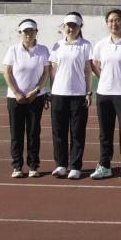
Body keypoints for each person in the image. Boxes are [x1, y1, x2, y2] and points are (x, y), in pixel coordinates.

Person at [90, 9, 121, 181]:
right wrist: (103, 77)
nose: (114, 24)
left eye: (118, 20)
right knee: (105, 133)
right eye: (111, 21)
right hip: (104, 94)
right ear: (107, 23)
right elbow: (94, 65)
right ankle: (105, 166)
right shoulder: (101, 44)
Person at [48, 12, 94, 180]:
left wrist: (88, 92)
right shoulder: (57, 45)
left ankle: (75, 166)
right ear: (64, 27)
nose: (71, 29)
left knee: (77, 132)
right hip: (58, 94)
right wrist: (51, 91)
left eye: (74, 26)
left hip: (78, 95)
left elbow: (88, 71)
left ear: (80, 27)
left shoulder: (85, 45)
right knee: (59, 132)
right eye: (68, 25)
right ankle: (61, 165)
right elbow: (53, 70)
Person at [2, 19, 50, 178]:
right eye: (25, 31)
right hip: (15, 98)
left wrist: (36, 91)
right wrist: (16, 92)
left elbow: (46, 73)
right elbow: (7, 73)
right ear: (20, 33)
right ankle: (17, 166)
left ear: (36, 32)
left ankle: (33, 166)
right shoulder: (13, 50)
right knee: (16, 133)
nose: (28, 34)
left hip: (35, 98)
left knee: (33, 132)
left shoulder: (43, 50)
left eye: (31, 30)